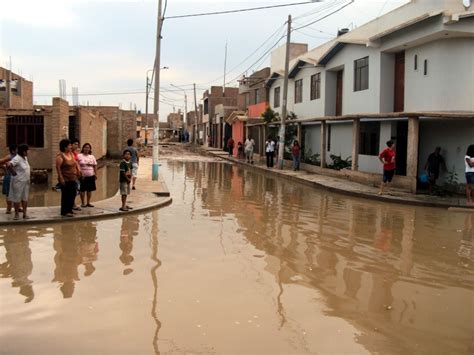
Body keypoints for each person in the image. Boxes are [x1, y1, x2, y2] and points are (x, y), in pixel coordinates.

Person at [56, 139, 81, 217]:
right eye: (69, 145)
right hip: (65, 178)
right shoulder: (60, 156)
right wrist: (61, 178)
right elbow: (58, 168)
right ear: (65, 147)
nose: (71, 147)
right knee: (66, 194)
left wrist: (78, 170)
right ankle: (65, 211)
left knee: (73, 193)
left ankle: (70, 209)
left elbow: (75, 163)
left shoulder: (71, 154)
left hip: (73, 177)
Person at [7, 144, 31, 220]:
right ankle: (16, 214)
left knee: (25, 197)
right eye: (27, 150)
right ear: (24, 152)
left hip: (25, 181)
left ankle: (24, 213)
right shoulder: (17, 158)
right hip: (18, 181)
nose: (29, 152)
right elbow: (8, 164)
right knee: (17, 198)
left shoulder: (25, 158)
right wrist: (13, 172)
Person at [77, 143, 98, 208]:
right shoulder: (79, 156)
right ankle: (83, 202)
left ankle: (88, 202)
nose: (86, 149)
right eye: (85, 147)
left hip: (91, 175)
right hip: (82, 176)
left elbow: (95, 166)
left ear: (90, 149)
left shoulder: (92, 157)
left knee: (89, 189)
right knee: (82, 189)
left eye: (88, 147)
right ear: (83, 148)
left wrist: (96, 174)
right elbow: (77, 165)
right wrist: (80, 173)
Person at [0, 144, 18, 214]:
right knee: (9, 193)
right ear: (13, 151)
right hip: (9, 177)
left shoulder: (17, 157)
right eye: (17, 149)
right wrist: (4, 167)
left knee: (17, 193)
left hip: (16, 177)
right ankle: (9, 208)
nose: (18, 150)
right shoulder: (10, 157)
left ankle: (17, 207)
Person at [71, 138, 81, 211]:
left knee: (76, 189)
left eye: (77, 144)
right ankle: (72, 204)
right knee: (73, 189)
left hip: (76, 174)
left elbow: (77, 163)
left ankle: (73, 203)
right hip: (71, 174)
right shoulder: (69, 153)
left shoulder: (75, 153)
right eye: (75, 144)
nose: (77, 146)